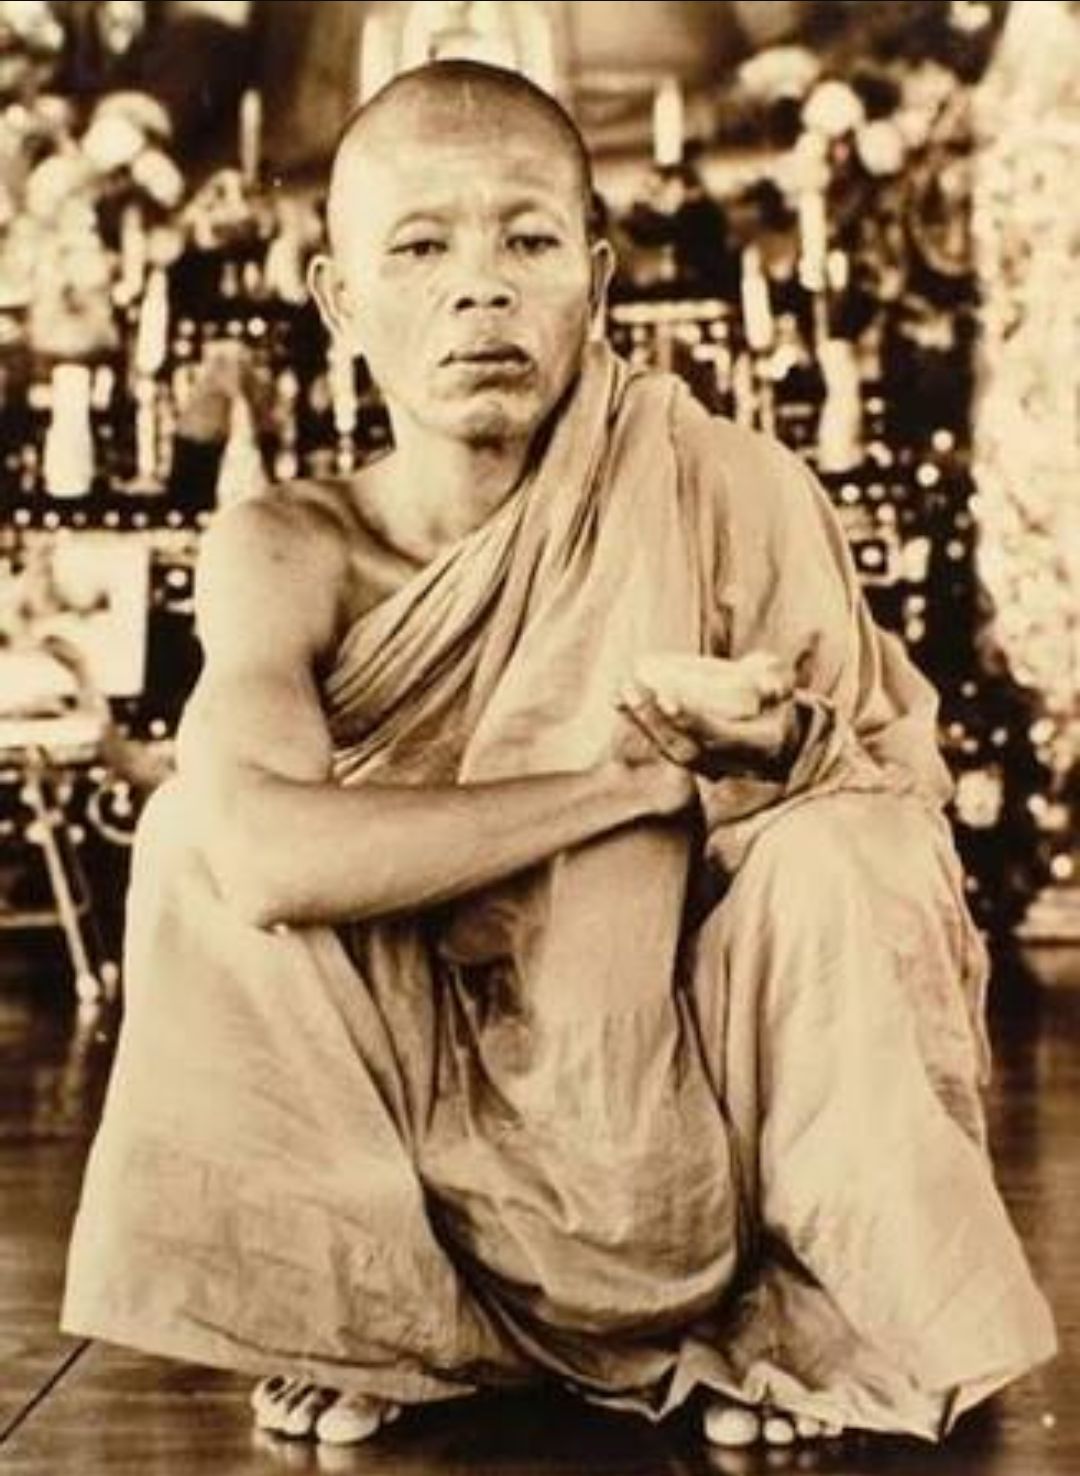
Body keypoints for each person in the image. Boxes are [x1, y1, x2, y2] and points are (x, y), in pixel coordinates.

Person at [62, 59, 1055, 1453]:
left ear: (595, 278)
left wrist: (776, 752)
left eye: (527, 241)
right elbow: (270, 859)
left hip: (676, 1096)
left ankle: (800, 1320)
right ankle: (386, 1322)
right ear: (338, 301)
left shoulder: (725, 487)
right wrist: (625, 786)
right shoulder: (291, 548)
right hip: (426, 1089)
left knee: (854, 845)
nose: (482, 290)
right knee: (192, 842)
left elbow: (889, 804)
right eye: (421, 249)